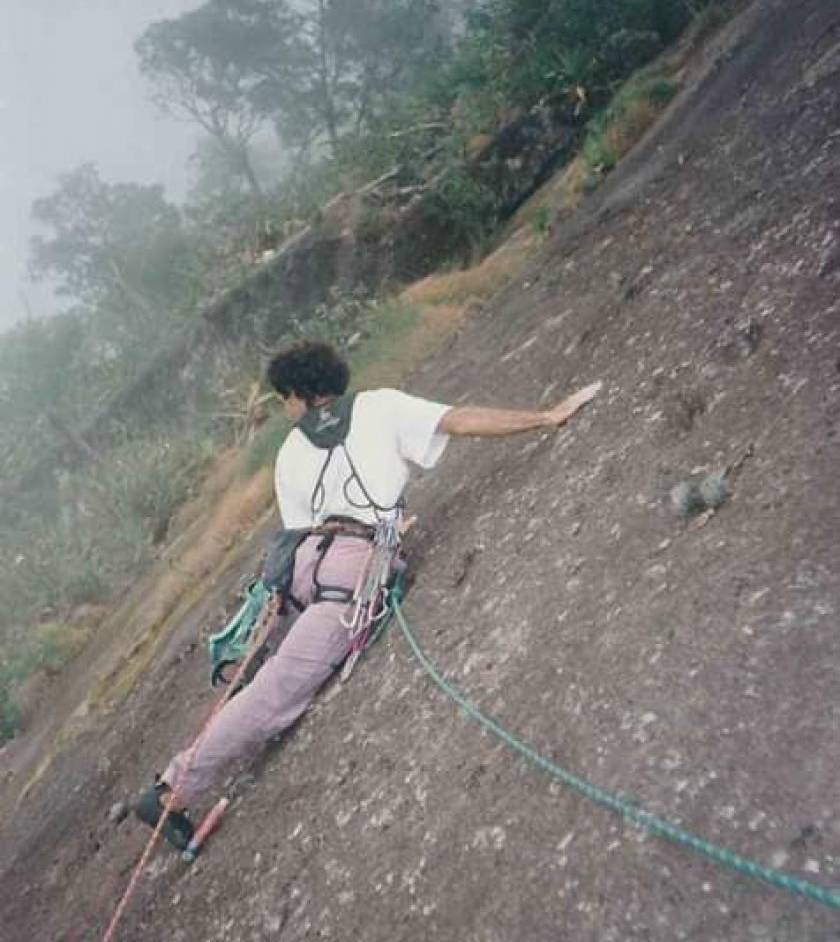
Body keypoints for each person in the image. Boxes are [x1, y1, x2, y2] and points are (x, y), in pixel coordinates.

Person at [134, 340, 601, 849]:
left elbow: (295, 534)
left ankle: (193, 761)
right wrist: (545, 417)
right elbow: (460, 420)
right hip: (352, 564)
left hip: (308, 564)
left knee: (269, 667)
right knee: (279, 688)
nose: (284, 409)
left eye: (283, 399)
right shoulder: (379, 405)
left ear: (299, 393)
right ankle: (172, 791)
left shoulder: (291, 451)